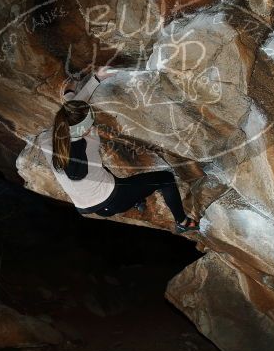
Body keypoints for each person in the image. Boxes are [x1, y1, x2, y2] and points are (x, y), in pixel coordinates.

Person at [44, 69, 199, 232]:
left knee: (98, 170)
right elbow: (74, 110)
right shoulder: (90, 141)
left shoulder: (48, 139)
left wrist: (74, 92)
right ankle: (182, 222)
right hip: (114, 200)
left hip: (86, 205)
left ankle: (137, 199)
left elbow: (72, 113)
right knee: (166, 179)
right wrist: (83, 86)